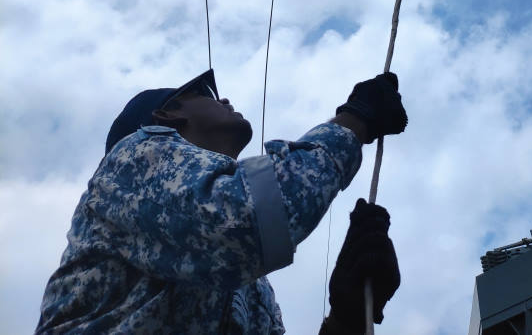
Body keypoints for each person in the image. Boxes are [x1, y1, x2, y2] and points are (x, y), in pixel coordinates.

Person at [36, 68, 406, 334]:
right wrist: (354, 121)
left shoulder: (249, 284)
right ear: (166, 115)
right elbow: (246, 218)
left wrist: (347, 317)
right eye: (207, 95)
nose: (225, 99)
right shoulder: (133, 159)